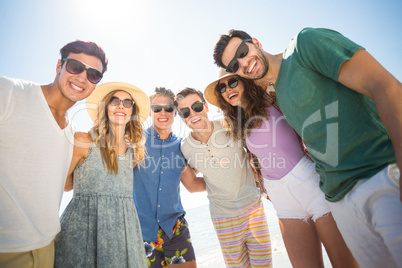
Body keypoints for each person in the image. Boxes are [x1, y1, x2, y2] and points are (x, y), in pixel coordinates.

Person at [213, 28, 402, 267]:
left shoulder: (302, 47)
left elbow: (384, 85)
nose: (242, 63)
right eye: (233, 67)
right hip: (338, 197)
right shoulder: (273, 98)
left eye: (243, 51)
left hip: (378, 174)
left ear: (256, 42)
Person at [204, 68, 358, 268]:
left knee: (345, 263)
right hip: (280, 195)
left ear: (245, 81)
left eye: (233, 82)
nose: (227, 89)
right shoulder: (235, 122)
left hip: (309, 182)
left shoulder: (273, 97)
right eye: (222, 87)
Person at [0, 40, 107, 268]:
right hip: (7, 250)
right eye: (75, 66)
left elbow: (63, 184)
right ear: (59, 66)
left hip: (47, 248)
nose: (82, 78)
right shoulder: (9, 93)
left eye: (93, 74)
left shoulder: (71, 131)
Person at [54, 82, 149, 267]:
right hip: (85, 228)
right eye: (115, 101)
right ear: (106, 107)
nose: (121, 106)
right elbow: (65, 184)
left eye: (127, 102)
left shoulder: (133, 154)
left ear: (132, 112)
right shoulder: (83, 140)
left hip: (124, 231)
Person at [175, 87, 272, 268]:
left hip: (253, 209)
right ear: (181, 117)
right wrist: (215, 183)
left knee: (264, 265)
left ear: (206, 106)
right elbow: (193, 184)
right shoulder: (185, 148)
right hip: (222, 218)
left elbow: (256, 151)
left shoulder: (230, 124)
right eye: (185, 111)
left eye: (196, 106)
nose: (193, 114)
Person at [133, 87, 205, 268]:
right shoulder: (136, 141)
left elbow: (193, 185)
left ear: (175, 112)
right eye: (157, 108)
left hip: (175, 228)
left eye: (168, 108)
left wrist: (223, 181)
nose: (162, 113)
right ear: (150, 112)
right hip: (140, 231)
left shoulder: (181, 146)